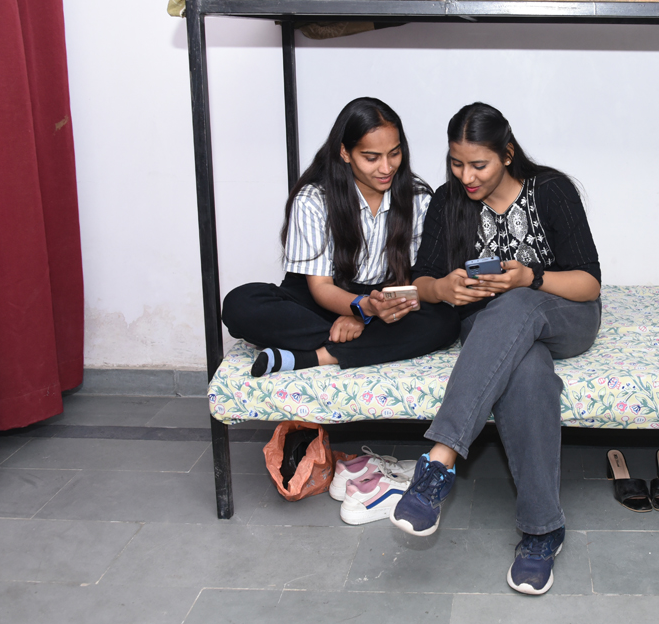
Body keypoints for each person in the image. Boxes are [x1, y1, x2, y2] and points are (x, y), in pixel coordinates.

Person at [388, 102, 601, 596]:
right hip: (495, 334)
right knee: (527, 374)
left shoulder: (551, 190)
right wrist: (443, 288)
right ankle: (543, 531)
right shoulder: (449, 201)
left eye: (478, 165)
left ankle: (439, 459)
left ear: (507, 154)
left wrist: (531, 278)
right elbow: (422, 281)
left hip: (566, 315)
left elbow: (589, 284)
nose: (466, 176)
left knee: (517, 301)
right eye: (456, 163)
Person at [221, 97, 459, 376]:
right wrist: (359, 310)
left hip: (382, 302)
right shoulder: (313, 199)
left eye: (394, 154)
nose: (386, 168)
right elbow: (320, 287)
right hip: (320, 299)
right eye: (371, 158)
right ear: (345, 152)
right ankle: (362, 344)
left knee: (445, 320)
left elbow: (410, 280)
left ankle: (313, 356)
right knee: (240, 304)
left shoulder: (418, 198)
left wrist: (369, 313)